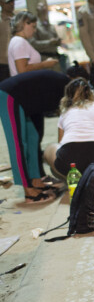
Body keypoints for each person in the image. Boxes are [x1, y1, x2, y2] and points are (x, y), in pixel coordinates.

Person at [0, 70, 69, 204]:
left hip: (25, 101)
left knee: (33, 138)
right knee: (18, 144)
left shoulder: (63, 85)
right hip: (8, 96)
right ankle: (28, 192)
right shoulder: (65, 86)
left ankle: (36, 180)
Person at [43, 78, 94, 179]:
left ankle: (72, 183)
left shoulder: (65, 113)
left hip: (71, 160)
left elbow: (61, 144)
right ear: (90, 93)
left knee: (50, 149)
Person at [7, 12, 58, 76]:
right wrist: (45, 64)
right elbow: (22, 70)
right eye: (33, 27)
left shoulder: (18, 40)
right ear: (23, 24)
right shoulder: (19, 42)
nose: (35, 30)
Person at [30, 2, 63, 73]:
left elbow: (57, 40)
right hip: (43, 59)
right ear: (37, 10)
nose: (43, 9)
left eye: (44, 7)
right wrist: (49, 42)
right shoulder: (35, 26)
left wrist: (58, 41)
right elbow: (33, 44)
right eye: (40, 7)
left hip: (55, 58)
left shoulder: (50, 25)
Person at [0, 0, 16, 81]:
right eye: (8, 2)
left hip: (19, 62)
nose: (12, 4)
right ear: (0, 3)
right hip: (3, 65)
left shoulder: (19, 19)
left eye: (13, 1)